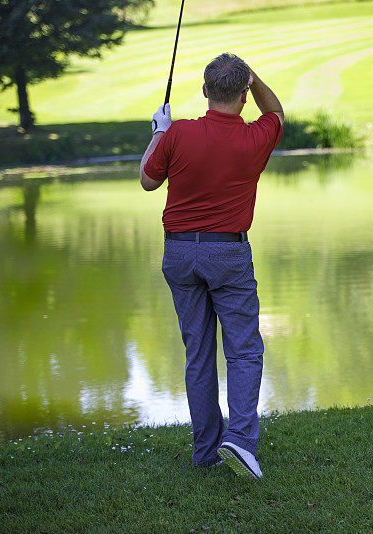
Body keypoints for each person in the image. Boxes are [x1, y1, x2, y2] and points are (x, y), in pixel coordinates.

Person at [139, 52, 284, 479]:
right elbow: (275, 110)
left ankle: (205, 451)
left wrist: (158, 132)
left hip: (179, 253)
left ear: (204, 91)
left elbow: (148, 180)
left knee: (198, 353)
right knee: (243, 351)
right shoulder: (257, 135)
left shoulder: (177, 134)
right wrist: (254, 77)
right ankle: (239, 441)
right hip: (228, 254)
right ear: (243, 96)